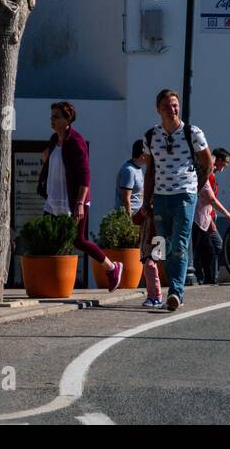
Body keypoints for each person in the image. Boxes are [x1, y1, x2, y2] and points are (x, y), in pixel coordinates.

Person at [40, 102, 123, 290]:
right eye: (51, 116)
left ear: (67, 119)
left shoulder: (76, 141)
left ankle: (111, 268)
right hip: (54, 199)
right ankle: (54, 281)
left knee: (79, 241)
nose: (52, 120)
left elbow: (85, 175)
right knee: (49, 237)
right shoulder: (54, 140)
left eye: (56, 117)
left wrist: (79, 202)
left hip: (74, 200)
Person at [142, 89, 212, 311]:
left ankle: (175, 293)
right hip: (161, 197)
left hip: (184, 194)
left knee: (180, 244)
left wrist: (195, 187)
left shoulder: (193, 132)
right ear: (158, 110)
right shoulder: (151, 136)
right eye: (166, 106)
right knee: (164, 245)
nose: (172, 110)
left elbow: (208, 163)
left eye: (174, 105)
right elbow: (150, 171)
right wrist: (146, 200)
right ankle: (172, 287)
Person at [192, 148, 230, 285]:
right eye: (226, 162)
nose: (227, 165)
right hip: (199, 219)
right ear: (218, 161)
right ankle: (202, 277)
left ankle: (208, 278)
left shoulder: (212, 176)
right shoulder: (206, 176)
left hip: (206, 219)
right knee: (205, 250)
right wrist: (227, 214)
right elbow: (211, 199)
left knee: (207, 251)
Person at [116, 141, 148, 214]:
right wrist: (129, 221)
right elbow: (126, 199)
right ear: (142, 155)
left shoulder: (137, 168)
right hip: (128, 216)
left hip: (138, 215)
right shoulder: (129, 171)